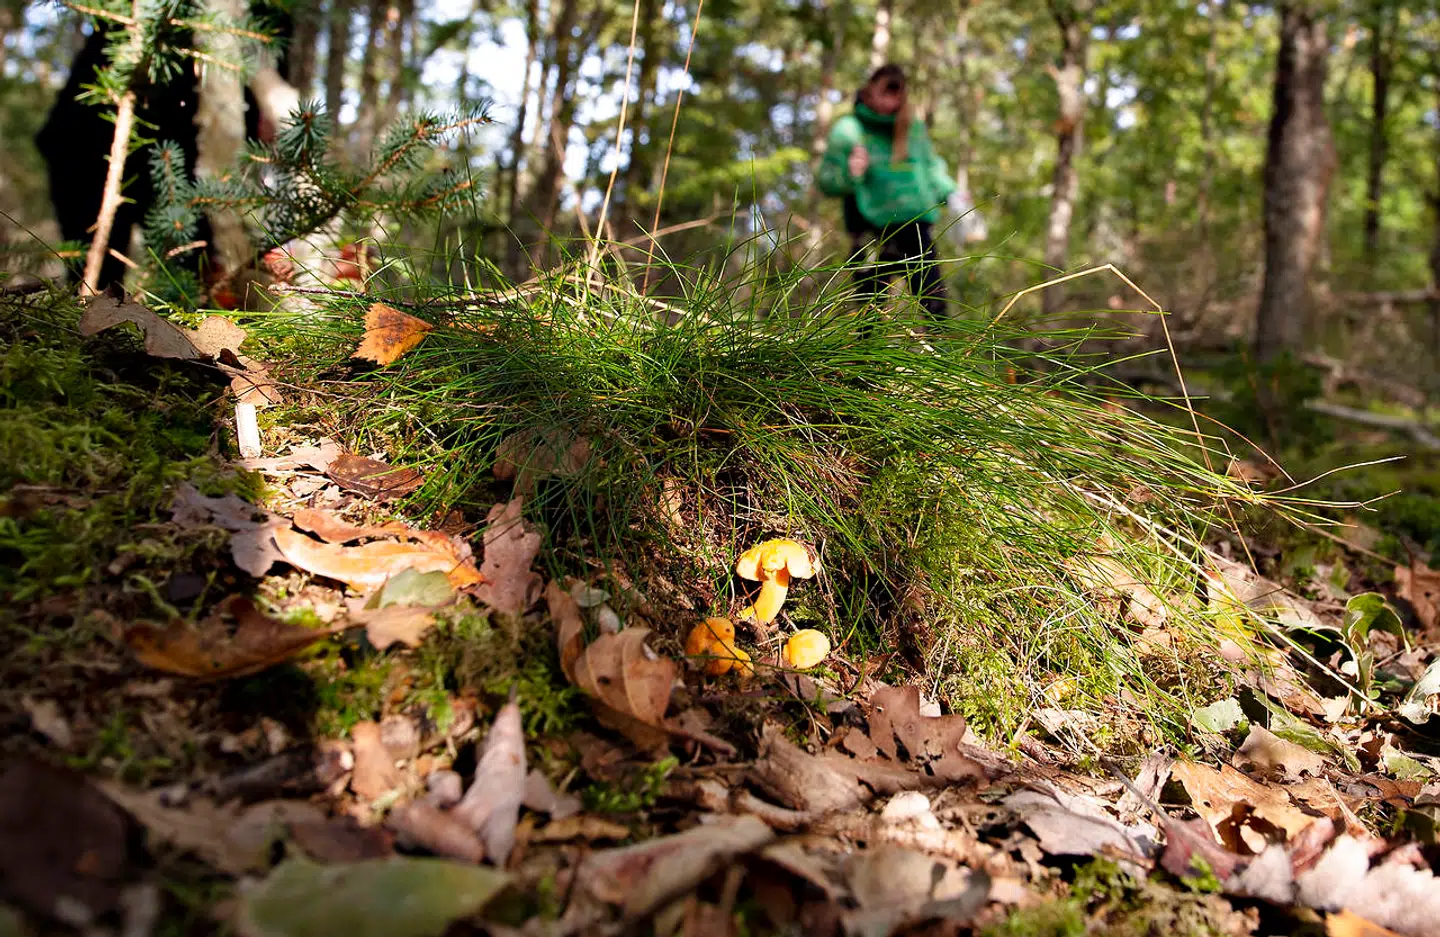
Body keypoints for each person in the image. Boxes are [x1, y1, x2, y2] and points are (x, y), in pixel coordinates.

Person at [816, 64, 955, 326]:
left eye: (897, 93)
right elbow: (826, 181)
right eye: (885, 91)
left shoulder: (912, 128)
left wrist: (954, 195)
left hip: (915, 226)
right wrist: (850, 173)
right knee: (870, 310)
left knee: (933, 302)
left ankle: (943, 359)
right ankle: (865, 362)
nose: (890, 100)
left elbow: (932, 167)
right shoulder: (849, 129)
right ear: (869, 91)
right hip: (870, 229)